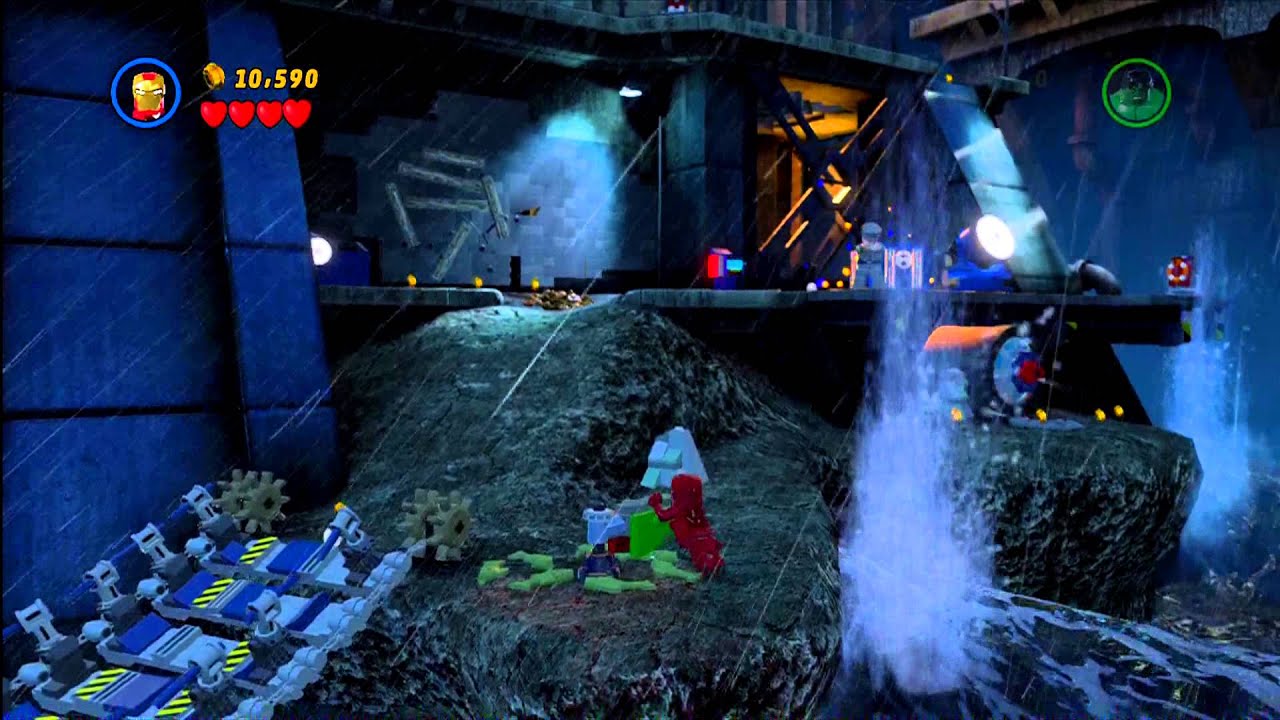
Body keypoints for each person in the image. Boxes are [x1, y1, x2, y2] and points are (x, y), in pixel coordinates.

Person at [851, 221, 885, 288]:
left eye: (873, 237)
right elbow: (860, 253)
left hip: (876, 267)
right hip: (862, 266)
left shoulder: (880, 247)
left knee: (878, 284)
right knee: (859, 284)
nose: (870, 240)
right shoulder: (859, 248)